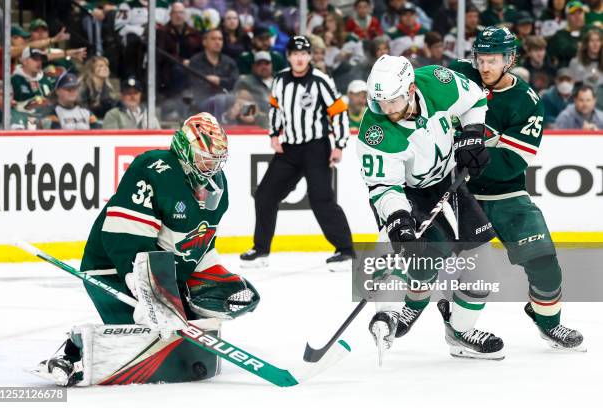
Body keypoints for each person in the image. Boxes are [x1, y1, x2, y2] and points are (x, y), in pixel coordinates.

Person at [32, 112, 260, 386]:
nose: (211, 166)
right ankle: (72, 355)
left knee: (182, 327)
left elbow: (199, 245)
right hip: (113, 270)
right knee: (147, 331)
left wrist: (216, 279)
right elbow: (123, 236)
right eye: (205, 157)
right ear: (185, 149)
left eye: (216, 159)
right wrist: (146, 289)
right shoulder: (153, 168)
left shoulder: (216, 189)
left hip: (164, 278)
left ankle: (167, 314)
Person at [360, 54, 504, 359]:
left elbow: (476, 100)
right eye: (379, 102)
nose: (385, 109)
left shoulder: (439, 82)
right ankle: (390, 314)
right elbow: (385, 188)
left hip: (448, 180)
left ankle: (460, 332)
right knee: (412, 257)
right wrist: (399, 220)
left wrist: (472, 135)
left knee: (483, 265)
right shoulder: (376, 131)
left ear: (411, 90)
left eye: (393, 101)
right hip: (407, 194)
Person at [449, 27, 585, 350]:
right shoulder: (455, 76)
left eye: (492, 60)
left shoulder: (527, 103)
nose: (484, 67)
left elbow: (513, 160)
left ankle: (548, 322)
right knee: (457, 268)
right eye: (480, 59)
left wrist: (473, 155)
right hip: (456, 193)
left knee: (544, 262)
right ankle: (455, 327)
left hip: (505, 194)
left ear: (509, 60)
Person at [240, 36, 354, 271]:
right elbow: (275, 108)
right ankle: (260, 250)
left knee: (321, 199)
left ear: (310, 56)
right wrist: (273, 134)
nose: (300, 58)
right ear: (289, 56)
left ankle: (346, 251)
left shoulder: (321, 81)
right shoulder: (280, 80)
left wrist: (339, 145)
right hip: (290, 150)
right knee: (265, 195)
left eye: (304, 54)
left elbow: (339, 112)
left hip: (316, 148)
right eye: (295, 54)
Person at [157, 1, 203, 98]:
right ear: (170, 15)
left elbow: (201, 52)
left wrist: (193, 61)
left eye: (181, 12)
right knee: (178, 70)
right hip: (169, 69)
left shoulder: (193, 33)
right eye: (175, 13)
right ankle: (177, 102)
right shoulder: (163, 32)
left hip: (193, 66)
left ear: (185, 15)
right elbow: (161, 55)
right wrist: (181, 61)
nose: (178, 16)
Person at [189, 28, 239, 104]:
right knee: (219, 100)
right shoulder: (196, 61)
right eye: (213, 39)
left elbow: (235, 81)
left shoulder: (229, 62)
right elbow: (195, 83)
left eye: (220, 39)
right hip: (203, 101)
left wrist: (219, 81)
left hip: (228, 99)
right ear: (204, 42)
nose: (217, 42)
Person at [11, 47, 54, 114]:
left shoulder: (46, 80)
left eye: (41, 59)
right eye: (35, 59)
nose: (39, 62)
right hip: (21, 119)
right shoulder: (14, 80)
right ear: (24, 61)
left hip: (45, 118)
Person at [233, 51, 274, 121]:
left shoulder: (279, 82)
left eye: (266, 64)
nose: (264, 67)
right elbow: (237, 103)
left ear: (271, 65)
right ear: (254, 66)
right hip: (256, 122)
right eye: (260, 64)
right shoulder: (245, 82)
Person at [547, 1, 587, 68]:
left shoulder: (591, 30)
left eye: (580, 13)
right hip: (568, 71)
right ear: (567, 17)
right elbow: (567, 50)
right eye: (573, 14)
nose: (577, 17)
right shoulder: (559, 35)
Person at [79, 56, 118, 120]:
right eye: (100, 66)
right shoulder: (84, 87)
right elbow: (82, 109)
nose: (105, 68)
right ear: (91, 69)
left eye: (106, 66)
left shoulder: (109, 88)